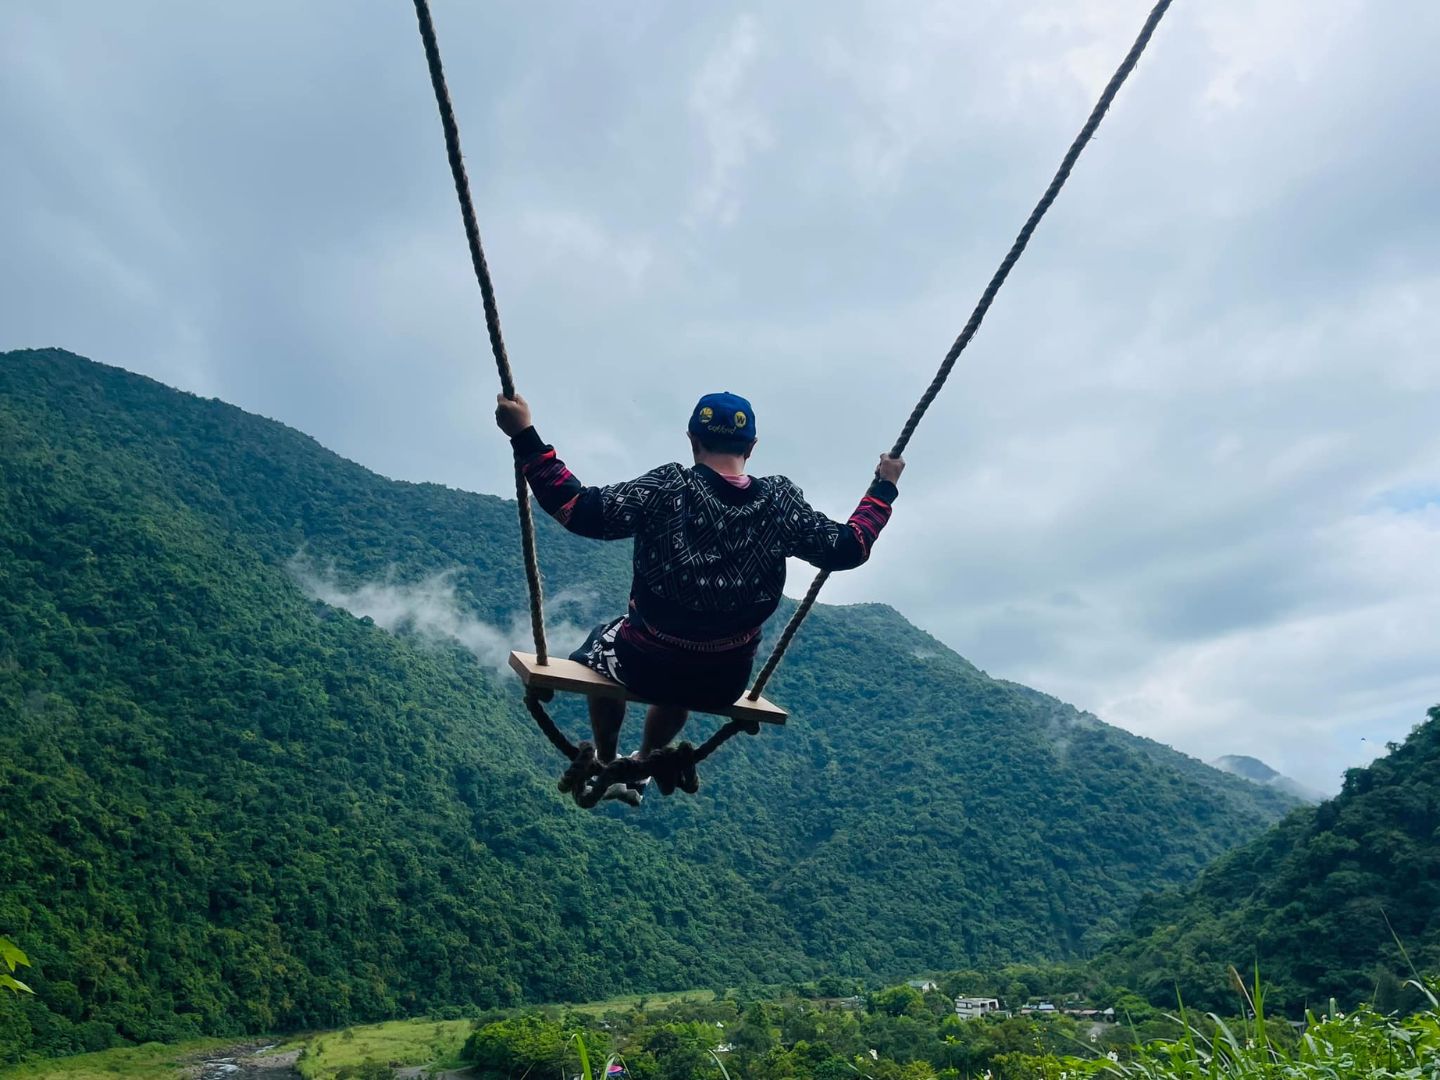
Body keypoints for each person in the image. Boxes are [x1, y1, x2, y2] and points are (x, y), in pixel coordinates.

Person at [496, 390, 903, 801]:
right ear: (752, 447)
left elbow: (577, 509)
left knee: (603, 646)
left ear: (692, 440)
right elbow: (850, 547)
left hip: (644, 664)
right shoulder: (779, 502)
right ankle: (647, 760)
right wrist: (883, 489)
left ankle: (607, 760)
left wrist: (524, 436)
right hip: (722, 679)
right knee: (693, 661)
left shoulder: (669, 487)